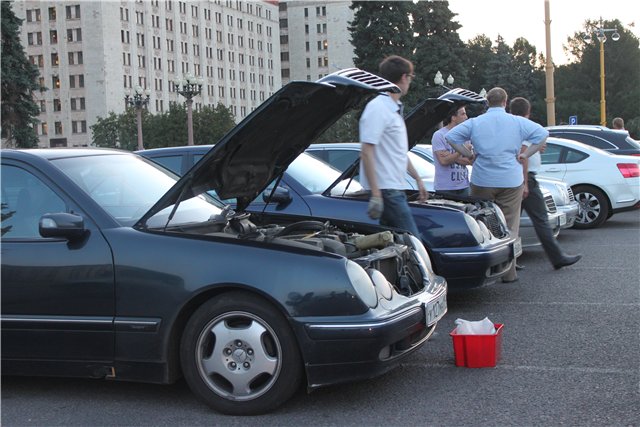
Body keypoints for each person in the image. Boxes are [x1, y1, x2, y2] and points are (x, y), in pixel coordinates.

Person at [445, 87, 547, 283]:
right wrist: (525, 154)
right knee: (510, 225)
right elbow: (542, 134)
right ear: (505, 102)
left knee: (483, 223)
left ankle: (486, 268)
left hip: (482, 179)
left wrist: (468, 154)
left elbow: (451, 137)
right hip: (511, 180)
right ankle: (509, 273)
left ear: (487, 102)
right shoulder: (517, 122)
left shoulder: (476, 122)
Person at [359, 55, 428, 238]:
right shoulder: (378, 107)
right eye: (411, 77)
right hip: (386, 189)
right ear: (404, 77)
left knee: (394, 244)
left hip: (393, 188)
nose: (410, 81)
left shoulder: (393, 108)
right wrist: (376, 194)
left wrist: (418, 178)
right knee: (413, 240)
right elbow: (366, 151)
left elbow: (399, 153)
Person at [510, 97, 582, 270]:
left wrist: (537, 149)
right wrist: (525, 183)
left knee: (511, 223)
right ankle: (557, 257)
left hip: (515, 178)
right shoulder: (525, 127)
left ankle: (509, 261)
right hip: (526, 178)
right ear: (528, 112)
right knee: (540, 219)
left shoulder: (511, 126)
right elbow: (523, 155)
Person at [431, 106, 473, 196]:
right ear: (453, 117)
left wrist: (450, 156)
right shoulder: (439, 135)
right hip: (445, 187)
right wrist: (462, 150)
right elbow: (443, 161)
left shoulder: (465, 136)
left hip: (464, 186)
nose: (466, 117)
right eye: (463, 114)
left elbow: (470, 161)